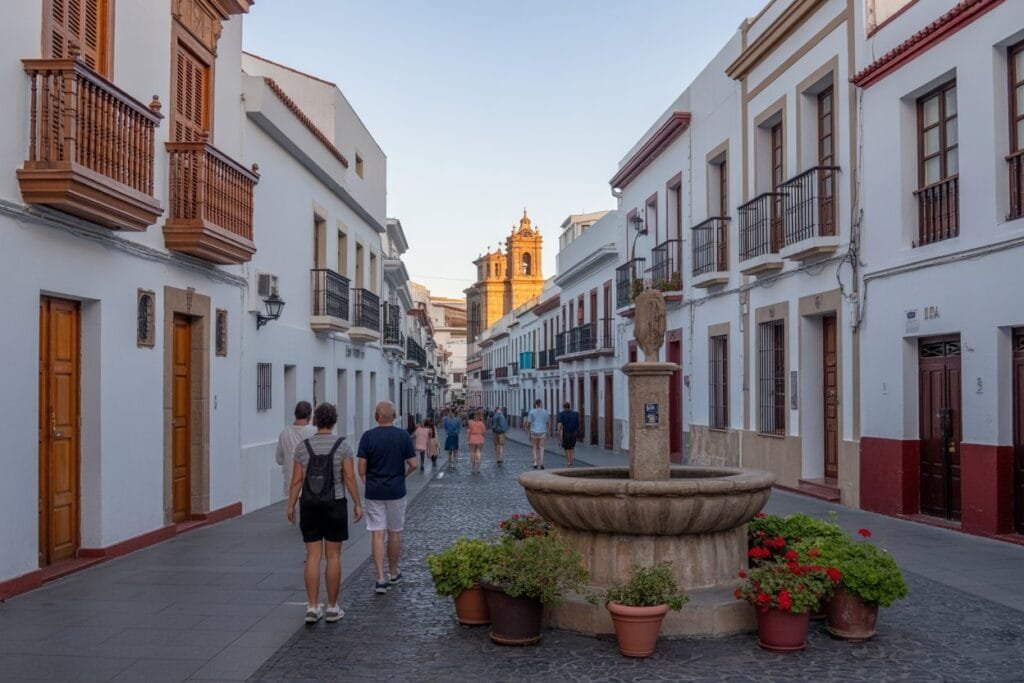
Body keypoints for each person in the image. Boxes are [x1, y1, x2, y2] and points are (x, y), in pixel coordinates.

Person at [286, 403, 363, 624]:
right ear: (334, 421)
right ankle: (331, 607)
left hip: (309, 504)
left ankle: (312, 607)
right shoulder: (343, 446)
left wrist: (291, 506)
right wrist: (358, 503)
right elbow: (349, 478)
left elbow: (296, 480)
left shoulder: (303, 447)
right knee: (333, 556)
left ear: (315, 421)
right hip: (335, 504)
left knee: (312, 556)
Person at [358, 400, 418, 595]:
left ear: (376, 417)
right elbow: (414, 464)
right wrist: (402, 477)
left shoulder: (368, 437)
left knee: (377, 533)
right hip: (396, 491)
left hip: (374, 492)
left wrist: (369, 481)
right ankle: (393, 572)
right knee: (394, 532)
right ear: (395, 416)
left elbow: (361, 468)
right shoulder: (403, 437)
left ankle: (380, 578)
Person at [275, 402, 315, 498]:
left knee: (293, 512)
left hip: (290, 484)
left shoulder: (284, 433)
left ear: (295, 414)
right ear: (309, 415)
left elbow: (279, 460)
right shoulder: (313, 432)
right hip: (311, 486)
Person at [525, 399, 551, 469]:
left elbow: (529, 423)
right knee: (542, 447)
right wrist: (548, 432)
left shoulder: (531, 412)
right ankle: (542, 463)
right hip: (542, 432)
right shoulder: (545, 412)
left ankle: (535, 462)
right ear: (541, 404)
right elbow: (548, 423)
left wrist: (527, 430)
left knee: (534, 448)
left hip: (534, 432)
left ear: (535, 404)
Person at [556, 402, 580, 467]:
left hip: (566, 433)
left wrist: (558, 434)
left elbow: (559, 425)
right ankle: (571, 462)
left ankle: (568, 461)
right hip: (574, 433)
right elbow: (578, 424)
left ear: (564, 407)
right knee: (572, 448)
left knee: (566, 448)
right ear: (570, 406)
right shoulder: (576, 414)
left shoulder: (561, 414)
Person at [467, 410, 486, 474]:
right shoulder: (481, 423)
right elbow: (484, 432)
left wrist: (468, 439)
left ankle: (473, 468)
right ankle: (478, 468)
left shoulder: (471, 423)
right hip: (480, 438)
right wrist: (483, 437)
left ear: (475, 416)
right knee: (478, 452)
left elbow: (469, 432)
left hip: (472, 438)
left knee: (472, 453)